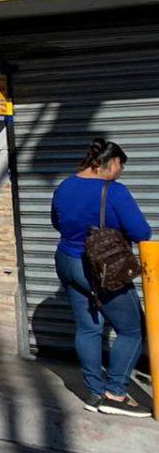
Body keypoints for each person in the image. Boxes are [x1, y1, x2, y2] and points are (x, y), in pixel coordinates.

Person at [51, 138, 152, 417]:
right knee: (131, 330)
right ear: (112, 162)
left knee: (88, 328)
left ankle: (95, 391)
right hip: (102, 268)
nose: (121, 173)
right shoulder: (115, 192)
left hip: (67, 261)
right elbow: (141, 232)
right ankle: (116, 393)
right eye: (121, 166)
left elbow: (57, 223)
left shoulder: (64, 187)